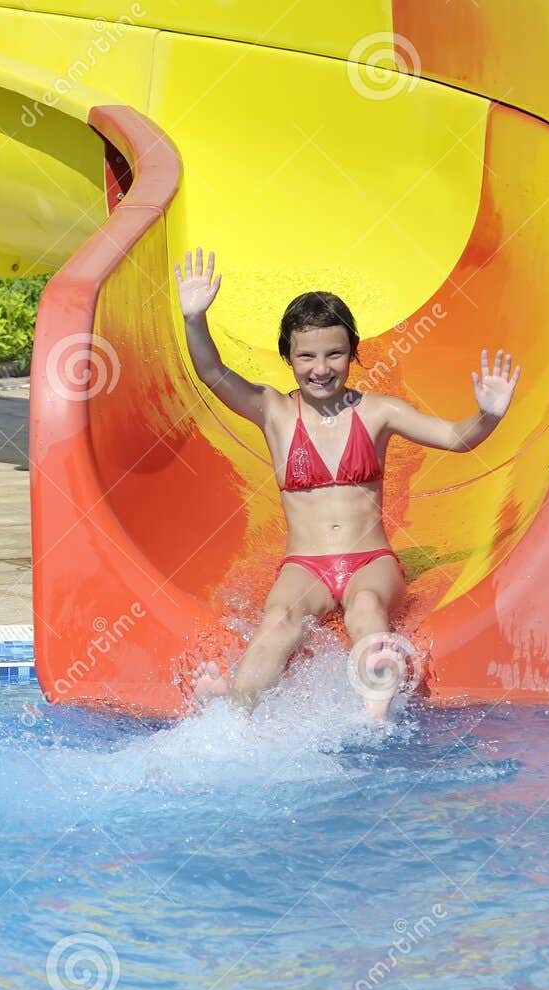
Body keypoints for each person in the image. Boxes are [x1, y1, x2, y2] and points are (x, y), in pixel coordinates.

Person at [175, 247, 521, 718]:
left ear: (353, 352)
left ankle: (374, 708)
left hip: (369, 560)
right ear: (288, 357)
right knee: (279, 619)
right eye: (307, 356)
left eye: (335, 353)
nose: (322, 368)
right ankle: (235, 710)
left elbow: (455, 438)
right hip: (305, 564)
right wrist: (195, 319)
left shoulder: (379, 411)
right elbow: (212, 373)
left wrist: (488, 414)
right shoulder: (273, 411)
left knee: (364, 606)